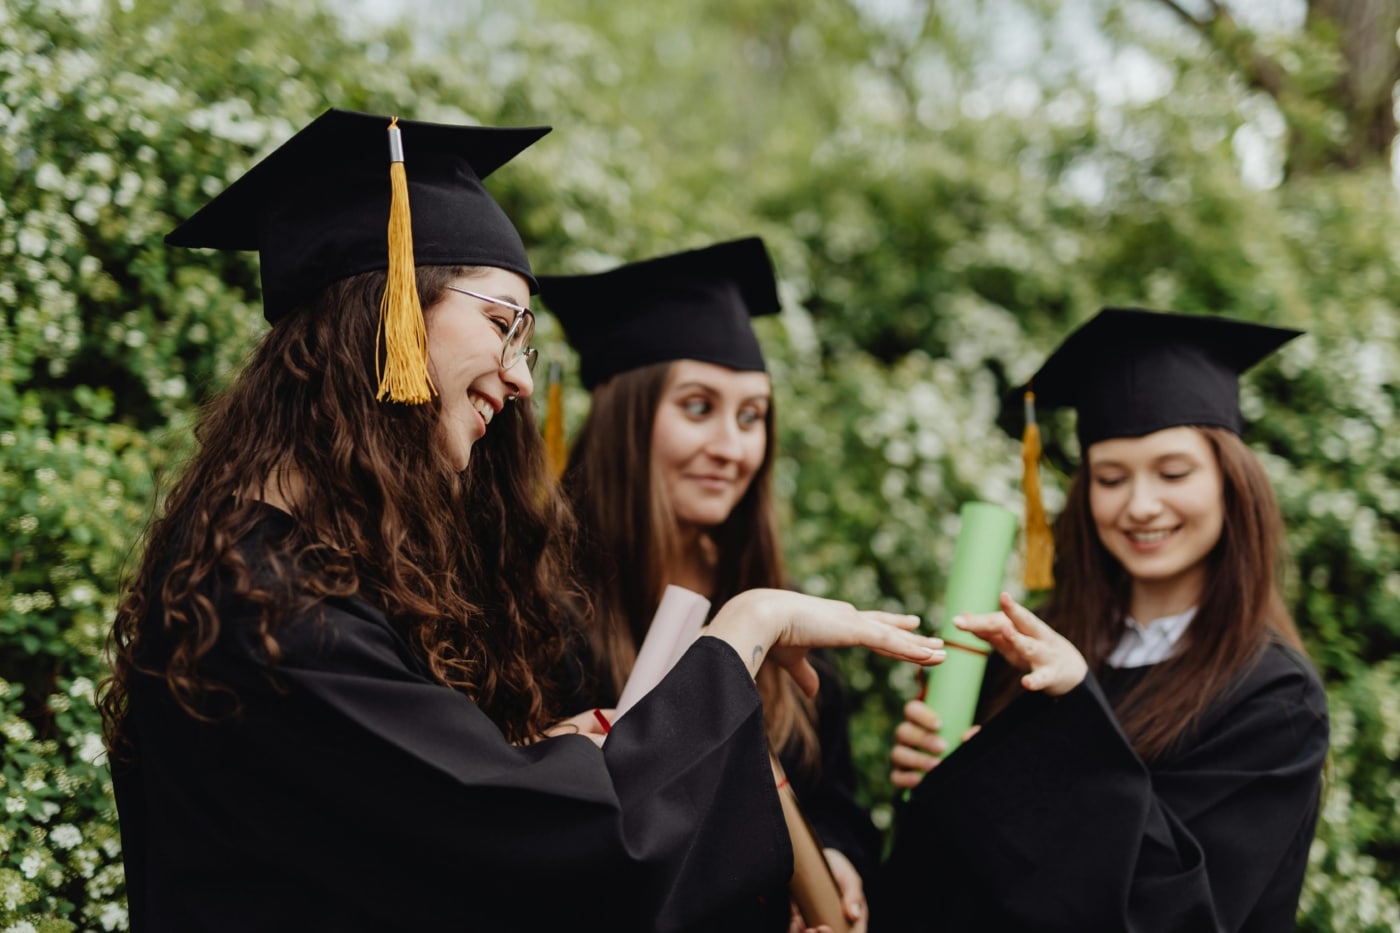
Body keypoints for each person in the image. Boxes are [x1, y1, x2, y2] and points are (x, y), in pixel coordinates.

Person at [98, 108, 945, 933]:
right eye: (501, 324)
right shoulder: (269, 603)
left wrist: (538, 761)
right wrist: (744, 630)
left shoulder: (289, 566)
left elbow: (431, 822)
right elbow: (550, 851)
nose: (520, 378)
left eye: (524, 341)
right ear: (385, 312)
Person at [877, 307, 1329, 931]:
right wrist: (939, 784)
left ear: (1231, 483)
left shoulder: (1274, 701)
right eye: (1112, 477)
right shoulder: (1027, 652)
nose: (1141, 505)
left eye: (1174, 472)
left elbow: (1182, 914)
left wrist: (1048, 748)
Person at [539, 238, 881, 932]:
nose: (731, 446)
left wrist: (839, 856)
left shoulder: (782, 614)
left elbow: (832, 795)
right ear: (626, 415)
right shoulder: (534, 602)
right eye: (699, 407)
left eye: (752, 415)